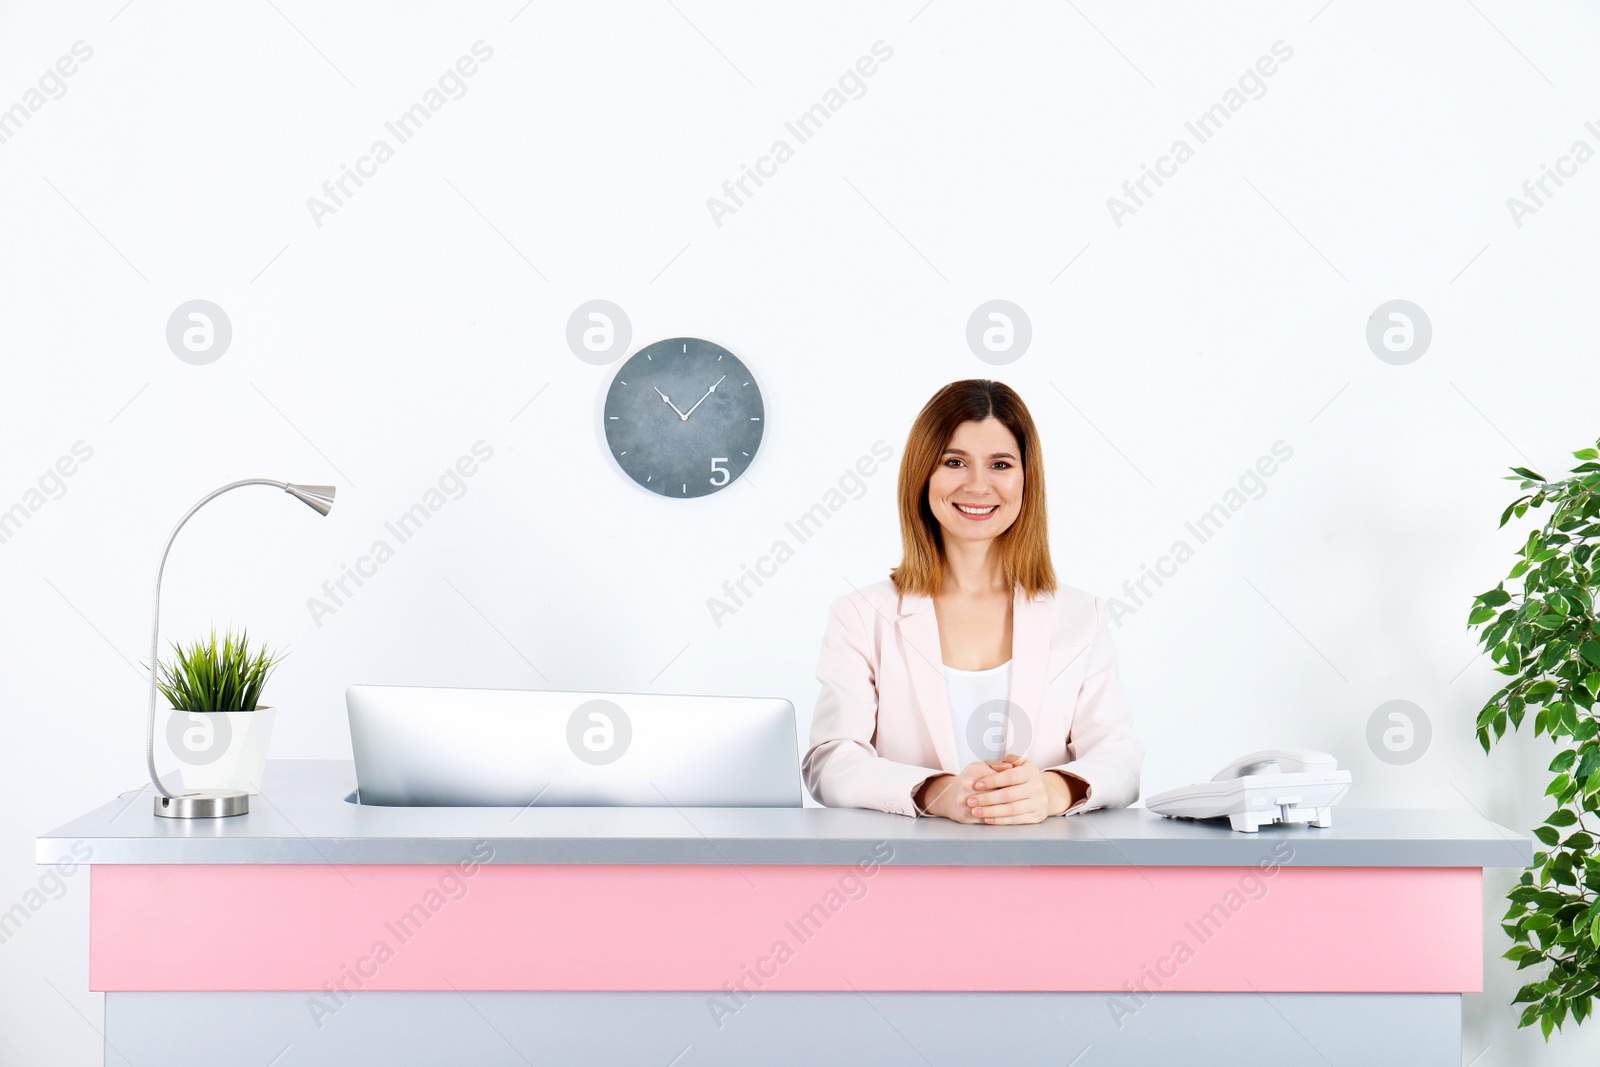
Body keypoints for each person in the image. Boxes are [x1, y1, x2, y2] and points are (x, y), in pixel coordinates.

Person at [803, 379, 1144, 823]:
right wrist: (937, 792)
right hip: (905, 871)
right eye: (954, 462)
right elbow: (829, 762)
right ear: (923, 473)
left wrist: (1051, 790)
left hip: (1044, 870)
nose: (978, 485)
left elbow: (1120, 758)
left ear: (1027, 479)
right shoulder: (861, 615)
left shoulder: (1082, 615)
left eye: (1000, 464)